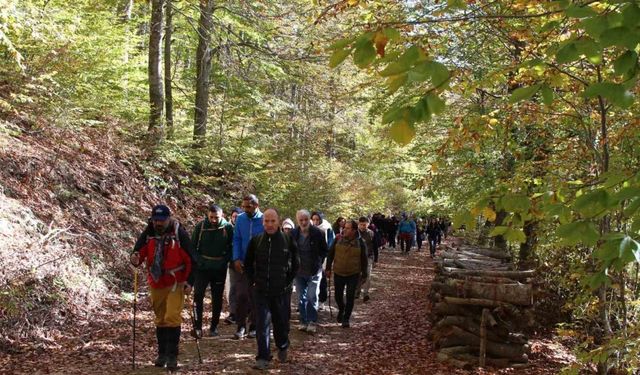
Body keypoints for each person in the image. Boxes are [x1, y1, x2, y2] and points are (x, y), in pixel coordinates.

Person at [130, 204, 195, 371]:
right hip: (156, 280)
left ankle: (172, 356)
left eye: (161, 220)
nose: (158, 223)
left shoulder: (179, 233)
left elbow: (192, 259)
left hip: (176, 281)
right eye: (155, 220)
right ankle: (162, 354)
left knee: (172, 316)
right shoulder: (149, 232)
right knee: (160, 318)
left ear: (168, 219)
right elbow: (138, 251)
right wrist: (135, 257)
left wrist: (190, 281)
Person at [244, 208, 299, 370]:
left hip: (280, 291)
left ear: (278, 221)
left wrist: (287, 283)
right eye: (266, 221)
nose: (269, 224)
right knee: (262, 324)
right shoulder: (256, 241)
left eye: (272, 221)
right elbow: (247, 264)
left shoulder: (287, 240)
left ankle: (282, 345)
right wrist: (252, 281)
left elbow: (296, 264)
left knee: (280, 323)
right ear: (262, 222)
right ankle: (263, 356)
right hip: (260, 290)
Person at [191, 204, 233, 337]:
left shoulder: (228, 228)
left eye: (217, 217)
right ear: (208, 215)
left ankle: (214, 326)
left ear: (222, 216)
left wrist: (224, 260)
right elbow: (192, 247)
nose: (214, 220)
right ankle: (197, 327)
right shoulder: (201, 226)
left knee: (217, 298)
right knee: (198, 296)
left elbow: (232, 246)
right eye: (211, 217)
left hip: (219, 268)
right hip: (202, 268)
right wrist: (199, 261)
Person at [231, 194, 264, 339]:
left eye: (248, 207)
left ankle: (254, 326)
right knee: (241, 295)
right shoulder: (240, 218)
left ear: (256, 205)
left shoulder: (264, 219)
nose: (245, 209)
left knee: (256, 295)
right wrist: (236, 258)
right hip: (243, 263)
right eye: (243, 206)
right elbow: (236, 239)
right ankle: (241, 326)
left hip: (259, 264)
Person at [325, 219, 368, 328]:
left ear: (354, 230)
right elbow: (330, 254)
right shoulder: (338, 239)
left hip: (353, 273)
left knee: (350, 296)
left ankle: (346, 318)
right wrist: (328, 268)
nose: (344, 229)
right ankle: (341, 308)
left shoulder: (360, 242)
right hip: (339, 272)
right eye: (344, 227)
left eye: (347, 228)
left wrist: (364, 274)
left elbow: (364, 259)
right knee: (338, 296)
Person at [291, 210, 328, 333]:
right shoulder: (293, 233)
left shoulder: (318, 233)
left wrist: (319, 262)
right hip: (299, 271)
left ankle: (312, 321)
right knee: (301, 297)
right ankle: (303, 320)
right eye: (301, 220)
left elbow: (324, 250)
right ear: (297, 220)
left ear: (309, 220)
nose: (303, 222)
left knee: (311, 296)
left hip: (313, 270)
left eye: (306, 219)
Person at [311, 211, 334, 309]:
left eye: (317, 219)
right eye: (314, 219)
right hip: (311, 258)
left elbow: (330, 243)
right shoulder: (309, 227)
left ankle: (322, 300)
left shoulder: (327, 227)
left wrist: (327, 258)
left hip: (323, 257)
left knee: (322, 280)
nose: (315, 222)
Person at [224, 207, 243, 326]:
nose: (235, 218)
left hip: (245, 262)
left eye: (238, 216)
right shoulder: (227, 228)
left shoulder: (244, 227)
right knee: (233, 288)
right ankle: (233, 313)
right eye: (234, 216)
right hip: (232, 263)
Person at [357, 216, 378, 302]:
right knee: (358, 275)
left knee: (368, 275)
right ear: (358, 224)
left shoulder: (371, 233)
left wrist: (376, 259)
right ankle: (357, 291)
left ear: (368, 224)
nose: (363, 226)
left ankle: (366, 293)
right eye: (361, 224)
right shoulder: (355, 233)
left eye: (364, 225)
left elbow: (375, 247)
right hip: (356, 257)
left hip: (368, 257)